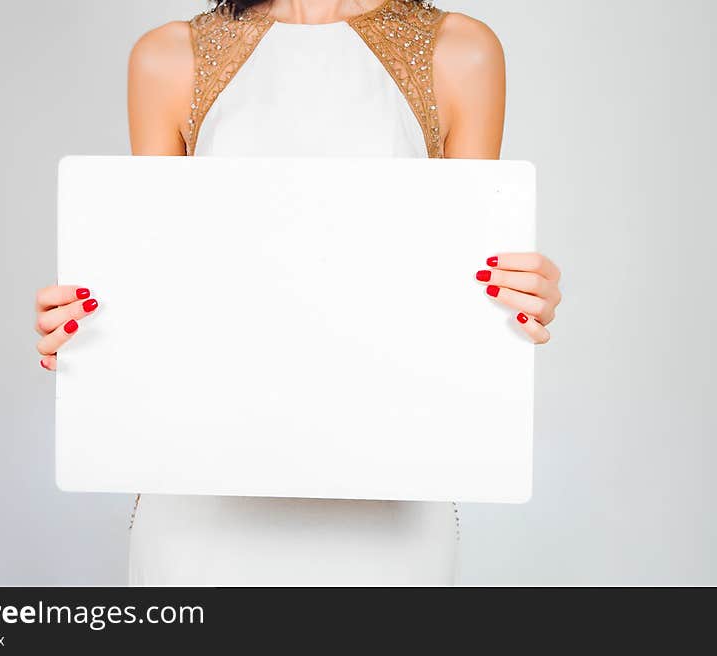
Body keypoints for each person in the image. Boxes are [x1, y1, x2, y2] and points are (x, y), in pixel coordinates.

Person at [34, 0, 562, 585]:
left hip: (389, 505)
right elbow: (162, 285)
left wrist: (515, 300)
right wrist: (92, 328)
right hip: (199, 507)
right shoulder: (169, 57)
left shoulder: (459, 51)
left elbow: (464, 283)